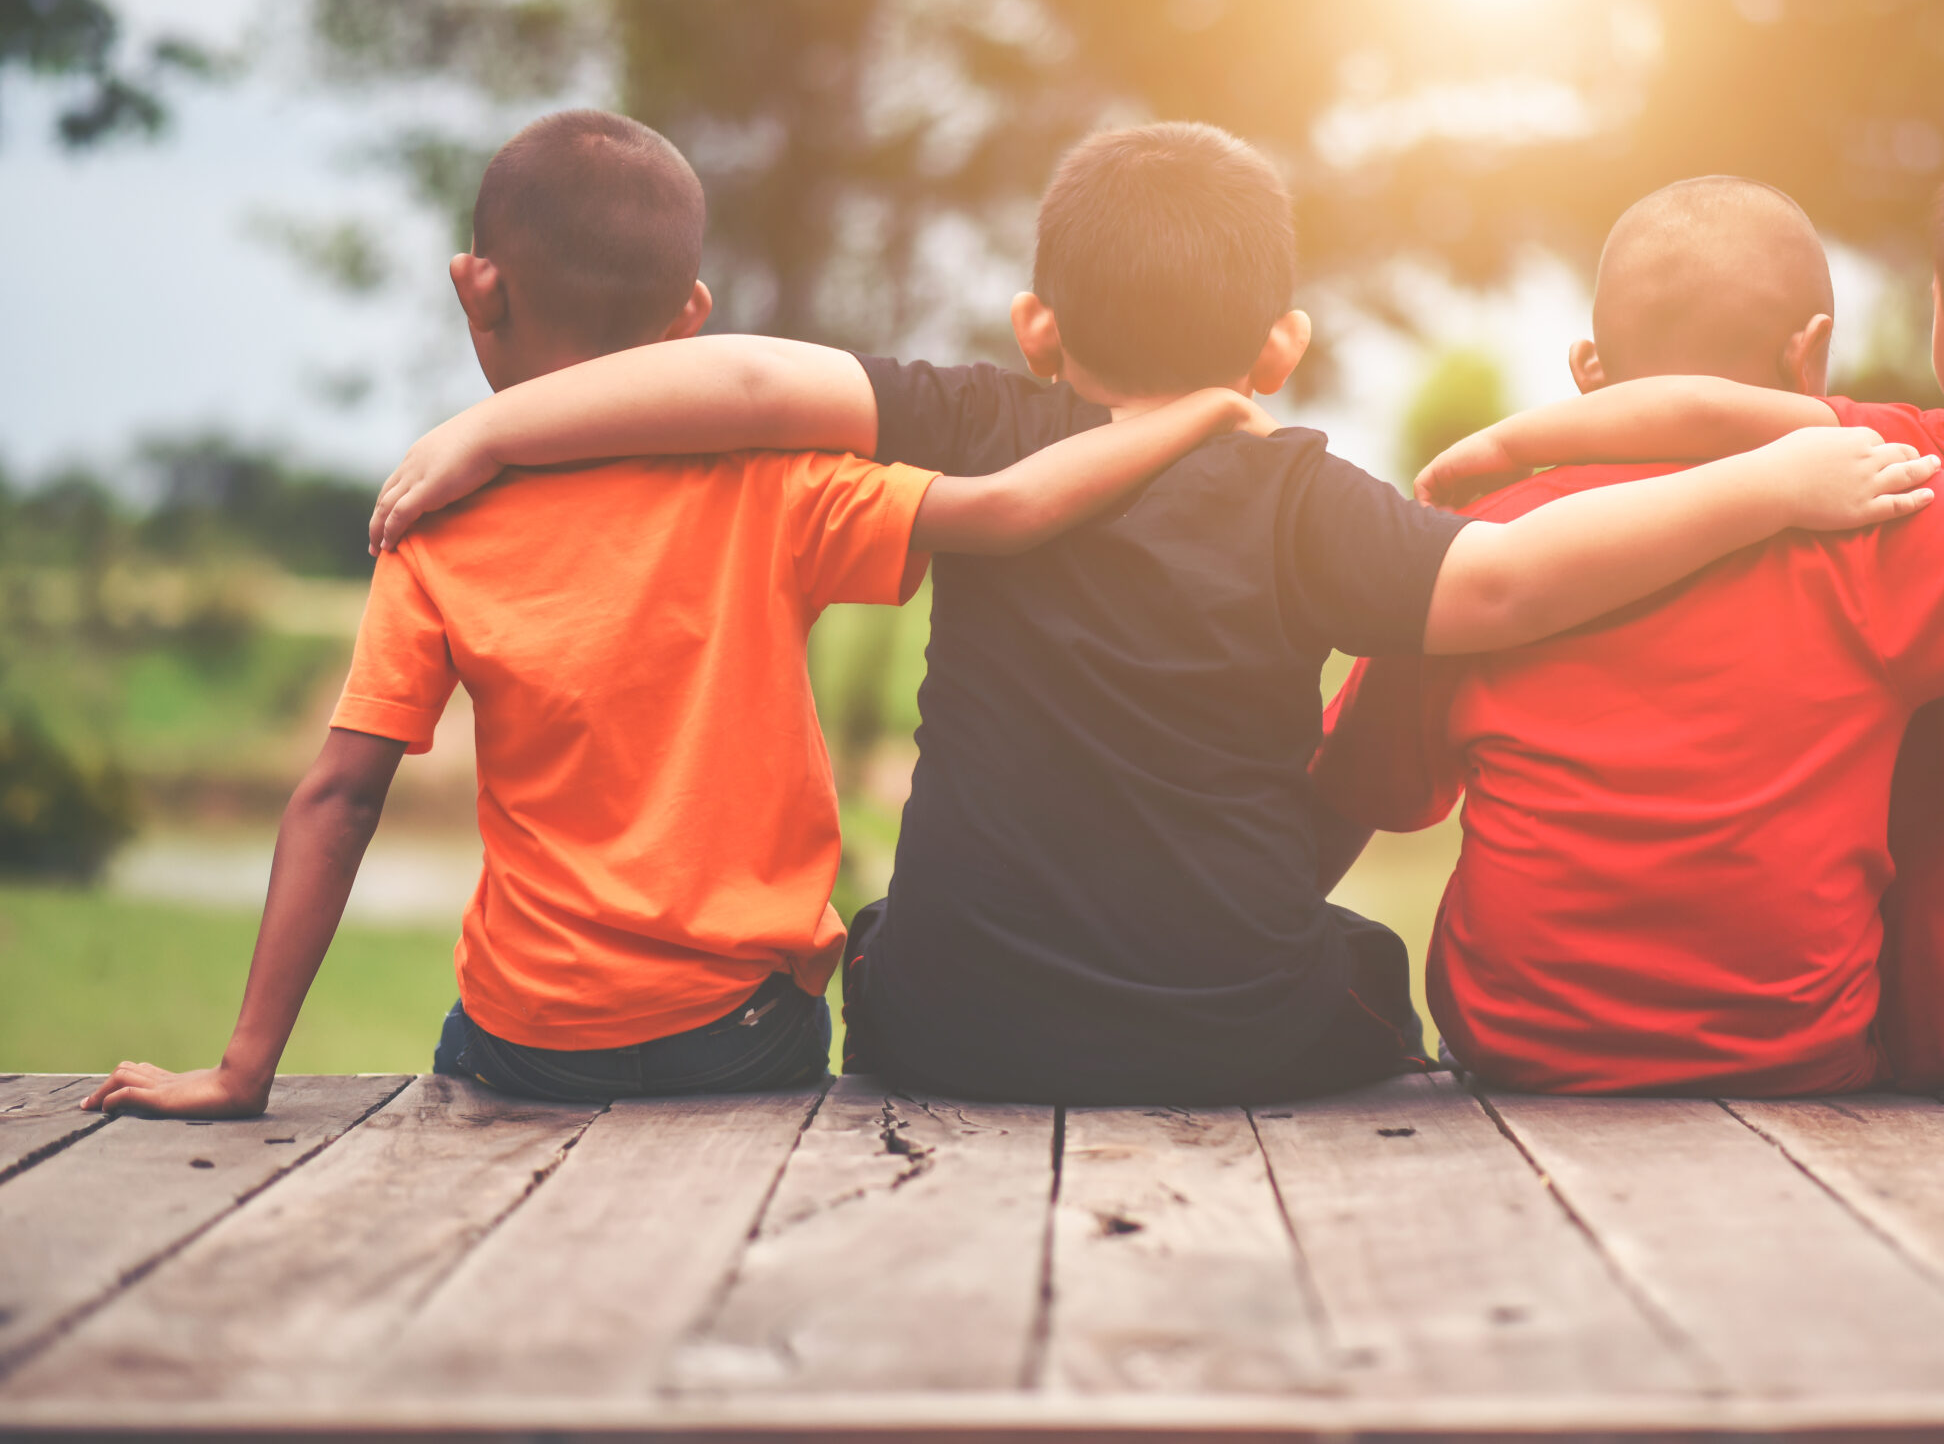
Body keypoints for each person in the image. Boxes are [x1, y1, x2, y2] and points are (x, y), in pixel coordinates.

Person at [349, 120, 1944, 1105]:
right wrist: (1771, 490)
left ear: (1039, 324)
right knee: (1360, 972)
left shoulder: (978, 421)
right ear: (1280, 349)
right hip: (1232, 1027)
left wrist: (491, 425)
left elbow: (752, 376)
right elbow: (1512, 579)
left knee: (892, 942)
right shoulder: (1298, 489)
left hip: (953, 1026)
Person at [82, 109, 1273, 1119]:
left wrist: (243, 1070)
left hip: (525, 1042)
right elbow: (1010, 509)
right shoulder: (774, 484)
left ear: (474, 287)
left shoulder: (437, 520)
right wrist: (1202, 406)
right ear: (690, 311)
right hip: (740, 1035)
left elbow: (340, 797)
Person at [1318, 170, 1944, 1095]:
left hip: (1522, 1057)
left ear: (1589, 376)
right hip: (1786, 1066)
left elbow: (1358, 793)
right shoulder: (1883, 522)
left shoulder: (1478, 560)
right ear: (1813, 358)